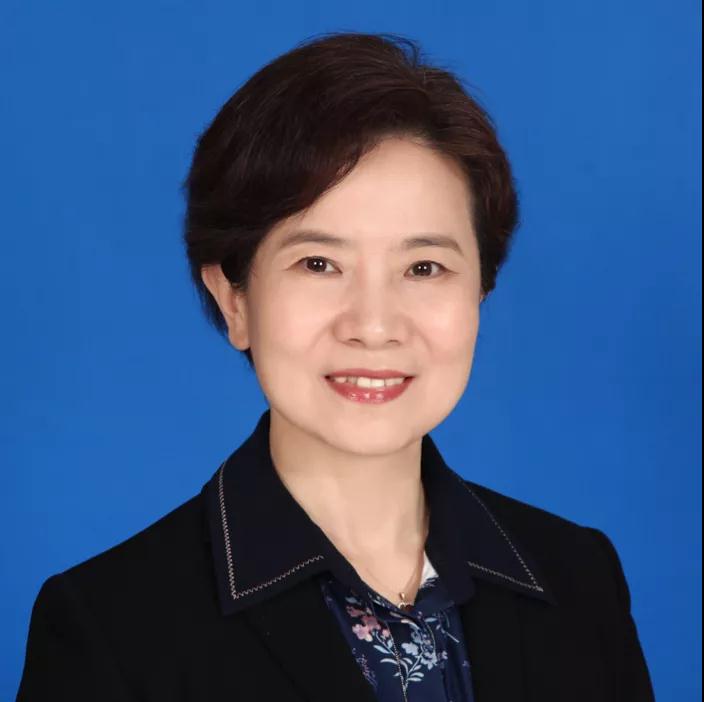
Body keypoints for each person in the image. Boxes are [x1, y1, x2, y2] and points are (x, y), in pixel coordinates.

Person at [16, 32, 655, 701]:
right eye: (319, 264)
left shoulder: (579, 579)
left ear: (480, 292)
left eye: (424, 267)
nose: (374, 325)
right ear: (234, 300)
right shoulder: (111, 628)